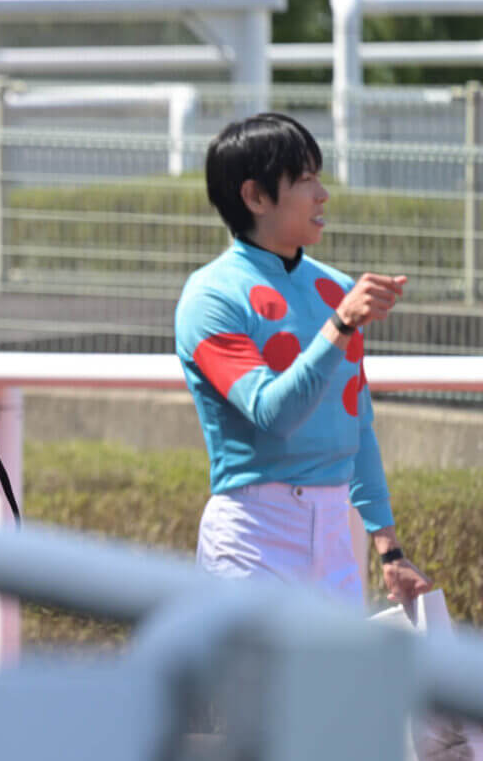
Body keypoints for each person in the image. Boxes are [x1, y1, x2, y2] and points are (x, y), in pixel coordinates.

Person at [175, 112, 432, 608]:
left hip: (337, 537)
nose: (323, 194)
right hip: (252, 541)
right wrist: (339, 326)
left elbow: (356, 425)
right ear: (255, 197)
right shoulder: (210, 297)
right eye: (305, 179)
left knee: (333, 689)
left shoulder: (334, 287)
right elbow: (274, 414)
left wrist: (389, 549)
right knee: (252, 689)